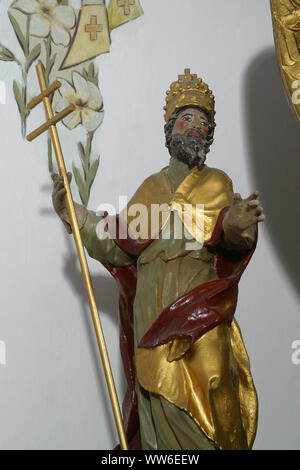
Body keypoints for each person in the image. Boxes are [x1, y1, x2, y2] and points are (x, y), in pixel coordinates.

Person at [51, 69, 265, 450]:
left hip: (197, 311)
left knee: (208, 402)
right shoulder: (151, 188)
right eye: (187, 118)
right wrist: (75, 212)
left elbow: (227, 232)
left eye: (203, 121)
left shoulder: (218, 183)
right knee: (158, 404)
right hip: (151, 307)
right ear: (170, 131)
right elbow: (117, 244)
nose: (196, 126)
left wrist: (236, 225)